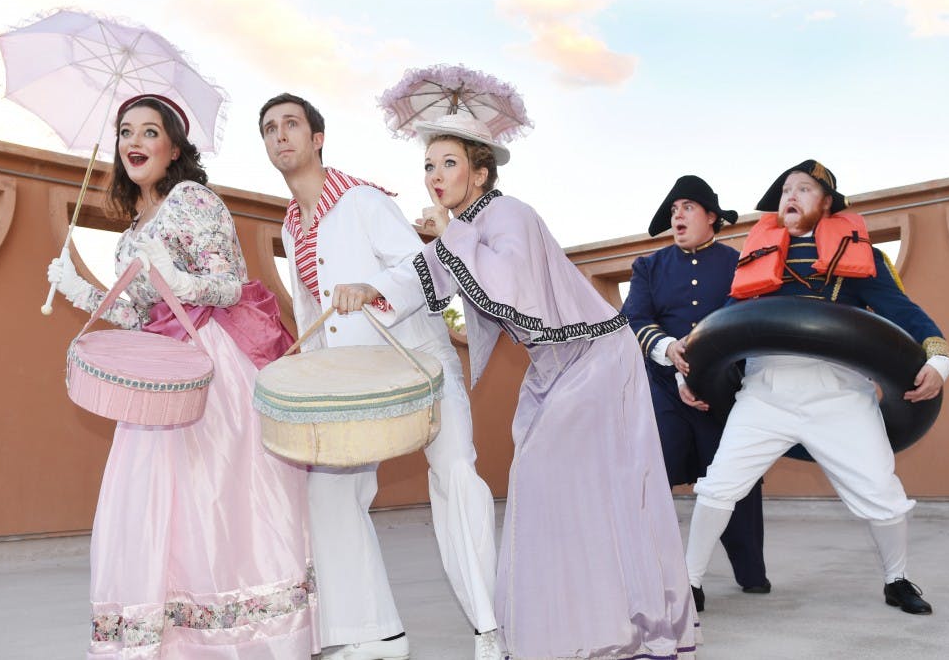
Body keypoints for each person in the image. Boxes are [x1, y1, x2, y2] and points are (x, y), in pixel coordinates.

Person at [371, 110, 699, 659]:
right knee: (547, 486)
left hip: (596, 354)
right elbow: (418, 274)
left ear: (479, 173)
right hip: (552, 366)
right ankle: (579, 623)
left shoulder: (509, 214)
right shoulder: (466, 231)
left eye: (449, 163)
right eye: (429, 164)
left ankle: (617, 627)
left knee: (559, 476)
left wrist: (449, 236)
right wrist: (370, 290)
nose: (435, 174)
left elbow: (507, 283)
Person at [47, 93, 318, 658]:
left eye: (150, 132)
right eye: (126, 132)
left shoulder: (192, 199)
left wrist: (181, 279)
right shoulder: (128, 234)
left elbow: (228, 282)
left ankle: (241, 639)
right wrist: (80, 289)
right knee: (153, 507)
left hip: (213, 365)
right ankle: (173, 637)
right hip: (163, 375)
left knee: (215, 503)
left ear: (173, 148)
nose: (134, 142)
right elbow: (134, 314)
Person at [258, 94, 502, 660]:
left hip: (419, 368)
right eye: (270, 129)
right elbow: (306, 303)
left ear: (318, 138)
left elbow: (423, 270)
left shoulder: (364, 201)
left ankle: (492, 628)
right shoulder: (292, 223)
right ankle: (373, 634)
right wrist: (308, 364)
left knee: (456, 481)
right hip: (351, 387)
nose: (280, 136)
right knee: (329, 494)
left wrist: (375, 290)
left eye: (291, 124)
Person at [683, 159, 949, 615]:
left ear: (827, 203)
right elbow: (722, 322)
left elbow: (902, 310)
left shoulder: (861, 255)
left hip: (840, 394)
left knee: (882, 495)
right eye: (786, 189)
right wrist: (689, 370)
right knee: (718, 486)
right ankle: (687, 583)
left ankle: (897, 579)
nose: (791, 196)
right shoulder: (757, 254)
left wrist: (939, 357)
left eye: (804, 189)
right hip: (766, 392)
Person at [622, 175, 770, 611]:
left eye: (687, 207)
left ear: (711, 216)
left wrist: (710, 368)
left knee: (732, 478)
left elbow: (748, 319)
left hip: (723, 391)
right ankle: (663, 571)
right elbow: (635, 318)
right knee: (653, 473)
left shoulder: (739, 264)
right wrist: (669, 349)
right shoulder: (647, 267)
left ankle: (751, 572)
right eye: (673, 210)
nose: (678, 216)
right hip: (665, 388)